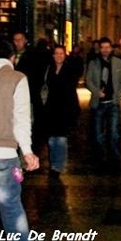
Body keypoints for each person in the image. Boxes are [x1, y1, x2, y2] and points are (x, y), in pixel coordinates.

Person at [0, 40, 40, 241]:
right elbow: (21, 119)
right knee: (12, 210)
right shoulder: (16, 78)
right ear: (13, 57)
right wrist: (28, 152)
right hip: (3, 156)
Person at [85, 37, 121, 166]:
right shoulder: (93, 63)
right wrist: (96, 91)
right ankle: (100, 155)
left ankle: (114, 156)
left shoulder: (118, 62)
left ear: (111, 48)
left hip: (113, 103)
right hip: (98, 104)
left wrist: (118, 95)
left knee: (114, 132)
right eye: (103, 47)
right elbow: (88, 81)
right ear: (99, 48)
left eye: (107, 47)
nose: (105, 50)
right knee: (98, 133)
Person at [41, 45, 83, 176]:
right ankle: (53, 163)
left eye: (61, 53)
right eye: (56, 53)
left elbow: (71, 90)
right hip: (50, 108)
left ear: (65, 56)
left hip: (65, 109)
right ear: (53, 55)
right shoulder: (48, 69)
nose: (59, 56)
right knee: (51, 139)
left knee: (61, 139)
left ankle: (58, 166)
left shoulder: (70, 69)